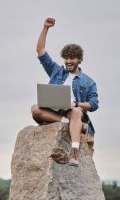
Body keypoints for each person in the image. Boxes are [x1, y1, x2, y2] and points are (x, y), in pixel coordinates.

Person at [31, 17, 99, 166]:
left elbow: (94, 104)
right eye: (66, 58)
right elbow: (40, 50)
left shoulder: (88, 81)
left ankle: (74, 154)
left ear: (79, 59)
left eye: (72, 58)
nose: (68, 61)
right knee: (35, 108)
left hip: (73, 111)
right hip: (55, 111)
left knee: (75, 112)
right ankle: (72, 124)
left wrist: (76, 103)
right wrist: (45, 28)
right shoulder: (56, 71)